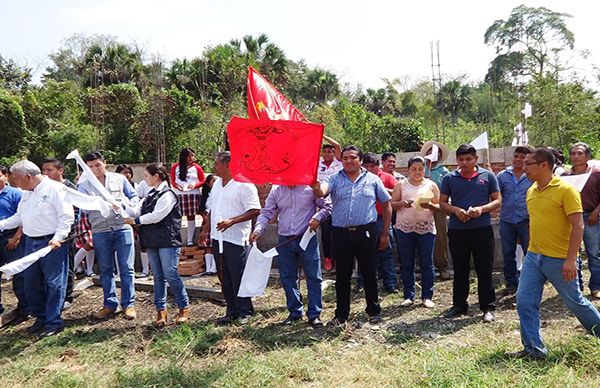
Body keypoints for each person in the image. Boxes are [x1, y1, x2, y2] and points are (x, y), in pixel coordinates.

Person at [509, 147, 600, 359]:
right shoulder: (532, 190)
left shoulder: (565, 190)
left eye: (528, 164)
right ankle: (534, 350)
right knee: (524, 302)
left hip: (559, 259)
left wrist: (570, 259)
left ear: (544, 165)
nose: (524, 168)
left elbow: (578, 226)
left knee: (575, 302)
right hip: (534, 256)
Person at [312, 145, 392, 326]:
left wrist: (385, 232)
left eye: (353, 158)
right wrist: (316, 186)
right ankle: (341, 315)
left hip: (367, 232)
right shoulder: (334, 178)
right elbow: (321, 191)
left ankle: (374, 312)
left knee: (370, 273)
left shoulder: (372, 179)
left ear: (360, 160)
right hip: (340, 234)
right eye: (345, 158)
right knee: (343, 276)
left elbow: (387, 204)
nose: (348, 161)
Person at [0, 160, 74, 338]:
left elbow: (66, 217)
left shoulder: (55, 189)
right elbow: (20, 217)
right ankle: (40, 318)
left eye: (16, 179)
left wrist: (58, 238)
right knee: (30, 282)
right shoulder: (27, 193)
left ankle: (53, 322)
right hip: (31, 243)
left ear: (28, 176)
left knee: (54, 283)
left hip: (51, 244)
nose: (14, 183)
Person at [250, 184, 331, 327]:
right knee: (287, 277)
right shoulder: (276, 190)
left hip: (307, 237)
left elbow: (327, 206)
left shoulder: (310, 188)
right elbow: (267, 212)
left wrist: (317, 217)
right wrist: (258, 230)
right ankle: (295, 312)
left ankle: (314, 314)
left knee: (313, 277)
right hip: (285, 239)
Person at [440, 144, 501, 323]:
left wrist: (481, 209)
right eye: (461, 159)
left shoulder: (488, 176)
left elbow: (497, 201)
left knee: (485, 268)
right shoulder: (449, 178)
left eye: (468, 159)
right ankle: (459, 305)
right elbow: (442, 203)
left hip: (482, 229)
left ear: (475, 159)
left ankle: (487, 306)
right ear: (457, 160)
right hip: (458, 230)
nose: (465, 163)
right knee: (460, 269)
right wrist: (456, 210)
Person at [198, 152, 260, 325]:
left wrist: (232, 221)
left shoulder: (244, 184)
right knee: (223, 275)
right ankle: (231, 310)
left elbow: (255, 210)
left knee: (238, 275)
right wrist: (205, 230)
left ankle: (245, 311)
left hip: (236, 239)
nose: (214, 167)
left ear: (229, 165)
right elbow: (212, 210)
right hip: (218, 237)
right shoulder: (217, 184)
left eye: (217, 164)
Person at [124, 163, 190, 327]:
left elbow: (157, 216)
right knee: (158, 277)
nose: (144, 179)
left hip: (167, 240)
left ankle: (184, 307)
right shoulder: (150, 194)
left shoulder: (168, 194)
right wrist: (121, 205)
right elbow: (136, 210)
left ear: (156, 176)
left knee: (170, 274)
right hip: (153, 240)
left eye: (146, 176)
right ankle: (161, 311)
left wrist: (136, 221)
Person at [78, 151, 138, 320]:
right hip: (100, 230)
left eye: (98, 165)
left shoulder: (119, 179)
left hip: (122, 227)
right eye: (90, 167)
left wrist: (128, 206)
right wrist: (98, 205)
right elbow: (83, 206)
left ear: (105, 163)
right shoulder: (84, 184)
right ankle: (110, 304)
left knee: (127, 267)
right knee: (105, 269)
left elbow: (133, 196)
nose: (95, 169)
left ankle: (129, 304)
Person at [391, 156, 440, 308]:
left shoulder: (431, 185)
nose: (417, 172)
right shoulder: (401, 185)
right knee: (407, 263)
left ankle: (427, 296)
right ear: (408, 169)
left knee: (427, 263)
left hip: (426, 228)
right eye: (414, 169)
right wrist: (403, 204)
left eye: (420, 169)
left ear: (424, 169)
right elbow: (392, 204)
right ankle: (409, 295)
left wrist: (430, 205)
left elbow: (440, 207)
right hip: (404, 228)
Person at [562, 142, 600, 298]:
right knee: (572, 253)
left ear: (587, 156)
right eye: (573, 154)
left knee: (594, 253)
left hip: (591, 217)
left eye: (579, 153)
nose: (575, 156)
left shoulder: (596, 174)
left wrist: (596, 212)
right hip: (571, 219)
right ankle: (576, 287)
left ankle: (596, 286)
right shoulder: (565, 177)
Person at [496, 146, 534, 296]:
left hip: (527, 220)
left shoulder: (531, 176)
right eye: (516, 156)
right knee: (508, 252)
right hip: (507, 220)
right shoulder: (502, 175)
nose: (518, 159)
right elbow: (497, 195)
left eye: (522, 157)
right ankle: (511, 283)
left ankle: (530, 284)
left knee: (530, 252)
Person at [360, 152, 398, 293]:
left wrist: (382, 190)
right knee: (364, 252)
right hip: (365, 219)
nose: (370, 169)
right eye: (366, 166)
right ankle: (363, 282)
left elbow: (397, 192)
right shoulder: (358, 178)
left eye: (373, 166)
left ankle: (390, 283)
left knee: (386, 249)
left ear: (378, 166)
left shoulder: (387, 177)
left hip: (382, 218)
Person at [42, 158, 78, 309]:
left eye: (49, 170)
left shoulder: (69, 188)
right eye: (43, 170)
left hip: (66, 234)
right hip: (47, 232)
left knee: (66, 265)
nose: (45, 174)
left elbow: (75, 212)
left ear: (60, 171)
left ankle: (66, 296)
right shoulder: (45, 188)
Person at [0, 165, 29, 321]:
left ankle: (25, 308)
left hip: (12, 237)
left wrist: (17, 237)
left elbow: (24, 217)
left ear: (5, 176)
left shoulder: (16, 194)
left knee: (19, 273)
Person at [421, 140, 453, 280]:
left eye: (435, 152)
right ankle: (425, 267)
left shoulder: (443, 171)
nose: (432, 154)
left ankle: (442, 267)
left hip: (438, 208)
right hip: (420, 208)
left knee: (440, 237)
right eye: (430, 151)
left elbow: (447, 189)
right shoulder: (421, 168)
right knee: (421, 237)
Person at [317, 135, 343, 272]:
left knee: (338, 232)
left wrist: (322, 135)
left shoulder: (339, 163)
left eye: (330, 151)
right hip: (323, 203)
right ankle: (328, 258)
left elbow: (338, 145)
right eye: (325, 151)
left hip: (339, 202)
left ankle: (339, 258)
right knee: (326, 233)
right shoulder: (317, 163)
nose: (327, 154)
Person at [170, 148, 206, 246]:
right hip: (179, 194)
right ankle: (178, 239)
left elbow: (203, 180)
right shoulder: (175, 167)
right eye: (188, 156)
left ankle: (190, 240)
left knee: (191, 216)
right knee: (178, 217)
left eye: (192, 156)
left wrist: (195, 185)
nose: (191, 158)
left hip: (193, 194)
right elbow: (172, 180)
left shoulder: (197, 167)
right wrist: (178, 186)